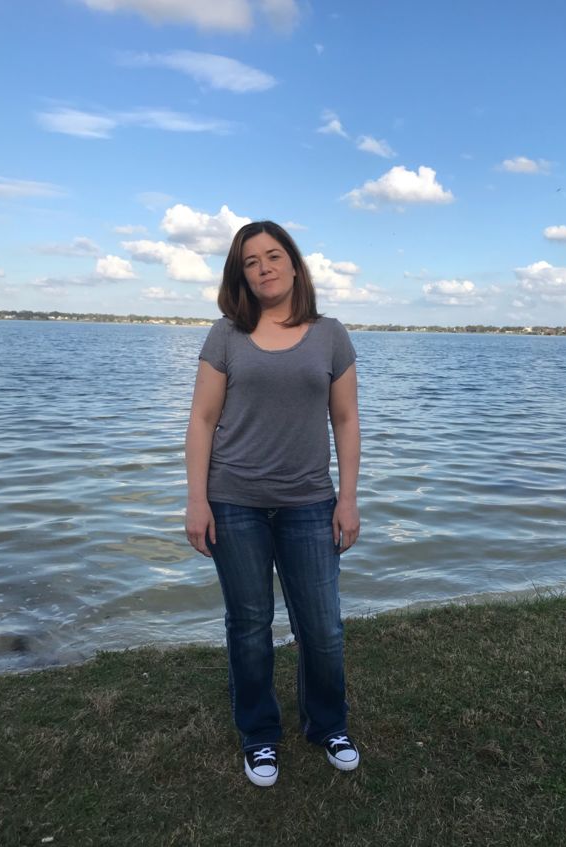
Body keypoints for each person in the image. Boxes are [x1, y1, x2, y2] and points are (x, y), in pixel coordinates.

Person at [185, 220, 361, 787]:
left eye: (273, 255)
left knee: (324, 627)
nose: (263, 267)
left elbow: (346, 420)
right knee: (249, 624)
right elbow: (202, 420)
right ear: (240, 275)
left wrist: (348, 499)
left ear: (294, 263)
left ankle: (328, 724)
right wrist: (196, 501)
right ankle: (259, 734)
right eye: (250, 261)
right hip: (233, 501)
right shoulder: (226, 335)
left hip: (309, 502)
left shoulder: (330, 335)